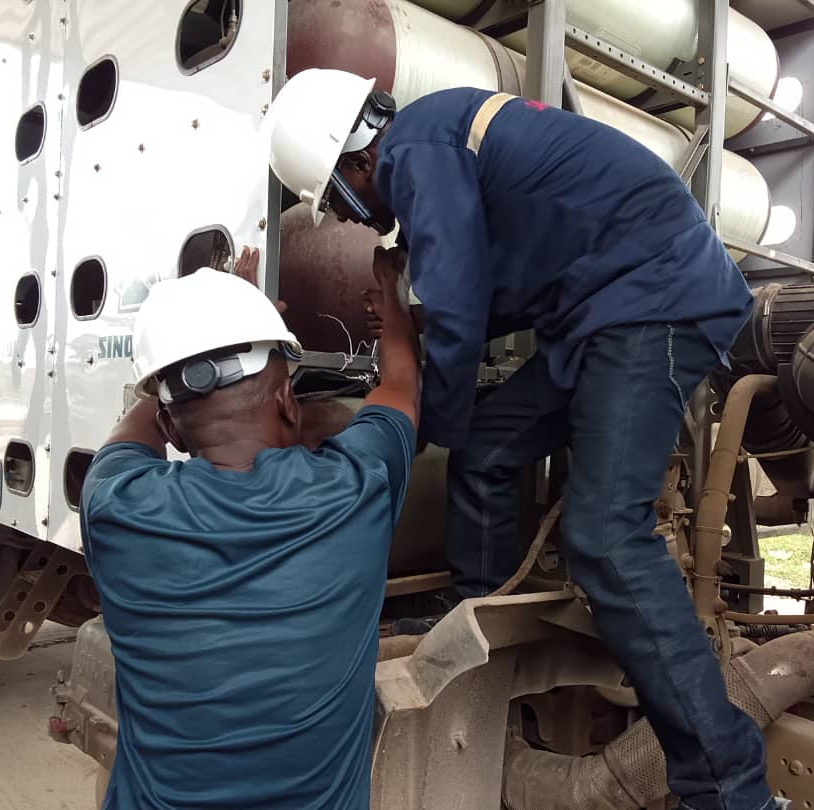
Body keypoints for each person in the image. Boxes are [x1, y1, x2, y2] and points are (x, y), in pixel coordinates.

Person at [268, 69, 780, 810]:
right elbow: (489, 289)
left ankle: (731, 788)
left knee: (606, 538)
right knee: (487, 449)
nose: (355, 222)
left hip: (652, 303)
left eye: (342, 205)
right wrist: (417, 329)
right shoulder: (433, 141)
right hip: (600, 315)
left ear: (357, 162)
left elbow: (458, 306)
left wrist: (413, 426)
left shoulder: (417, 151)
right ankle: (474, 631)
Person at [79, 247, 421, 809]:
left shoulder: (116, 507)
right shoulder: (357, 487)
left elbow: (132, 433)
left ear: (172, 428)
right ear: (289, 403)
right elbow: (402, 384)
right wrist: (394, 299)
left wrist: (196, 345)